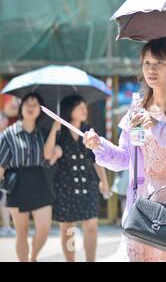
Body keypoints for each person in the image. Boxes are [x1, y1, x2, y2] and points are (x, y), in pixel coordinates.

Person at [83, 37, 166, 262]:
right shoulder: (137, 109)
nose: (151, 70)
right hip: (144, 205)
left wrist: (158, 127)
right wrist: (100, 146)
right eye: (147, 63)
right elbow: (125, 159)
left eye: (159, 63)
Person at [44, 95, 110, 262]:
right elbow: (48, 154)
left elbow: (97, 159)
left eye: (84, 106)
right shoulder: (61, 132)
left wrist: (104, 181)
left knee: (91, 226)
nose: (84, 110)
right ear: (69, 110)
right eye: (79, 106)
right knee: (68, 228)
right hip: (66, 185)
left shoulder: (89, 131)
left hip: (88, 183)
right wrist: (54, 128)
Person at [0, 93, 61, 261]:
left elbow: (47, 158)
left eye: (35, 104)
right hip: (16, 182)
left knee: (44, 229)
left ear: (40, 110)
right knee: (22, 231)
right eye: (27, 103)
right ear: (21, 107)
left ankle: (33, 256)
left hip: (39, 180)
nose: (31, 107)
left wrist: (55, 132)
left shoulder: (42, 133)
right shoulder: (9, 134)